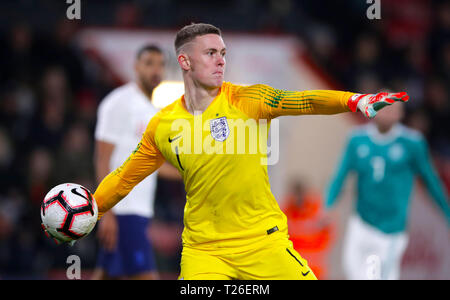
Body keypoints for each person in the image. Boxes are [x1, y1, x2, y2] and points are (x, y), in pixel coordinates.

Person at [46, 23, 408, 280]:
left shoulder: (247, 98)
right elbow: (125, 178)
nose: (221, 60)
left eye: (223, 53)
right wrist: (89, 211)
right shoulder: (164, 125)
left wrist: (354, 100)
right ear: (185, 62)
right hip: (206, 252)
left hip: (263, 244)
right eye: (210, 53)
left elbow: (304, 100)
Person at [324, 101, 450, 280]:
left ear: (400, 114)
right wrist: (328, 204)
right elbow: (341, 174)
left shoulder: (412, 143)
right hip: (361, 221)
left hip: (391, 228)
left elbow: (431, 180)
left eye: (392, 109)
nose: (387, 113)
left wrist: (447, 213)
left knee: (378, 276)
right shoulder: (357, 139)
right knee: (352, 270)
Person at [91, 45, 178, 280]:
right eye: (149, 63)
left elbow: (150, 165)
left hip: (138, 209)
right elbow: (102, 159)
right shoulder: (118, 103)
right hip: (123, 209)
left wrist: (189, 172)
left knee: (107, 274)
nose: (156, 70)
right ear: (136, 67)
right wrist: (105, 212)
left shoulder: (152, 110)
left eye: (160, 64)